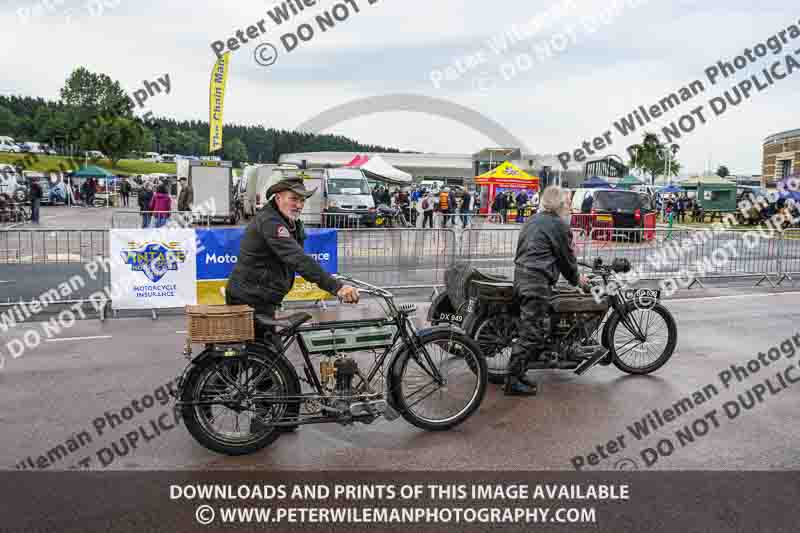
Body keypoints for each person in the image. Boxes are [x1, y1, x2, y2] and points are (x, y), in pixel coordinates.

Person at [226, 176, 359, 348]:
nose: (299, 205)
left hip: (259, 297)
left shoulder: (288, 221)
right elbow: (297, 258)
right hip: (250, 299)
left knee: (259, 358)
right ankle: (217, 375)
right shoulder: (271, 222)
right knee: (264, 359)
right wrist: (337, 287)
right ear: (278, 197)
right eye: (294, 199)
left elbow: (298, 256)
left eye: (302, 200)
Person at [507, 186, 589, 396]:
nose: (570, 208)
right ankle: (513, 381)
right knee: (532, 333)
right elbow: (566, 259)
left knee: (532, 328)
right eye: (568, 204)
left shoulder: (533, 220)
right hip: (535, 282)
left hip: (521, 277)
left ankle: (522, 373)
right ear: (560, 206)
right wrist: (578, 280)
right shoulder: (558, 225)